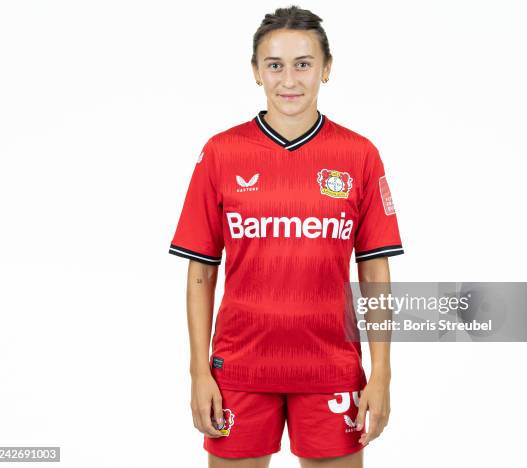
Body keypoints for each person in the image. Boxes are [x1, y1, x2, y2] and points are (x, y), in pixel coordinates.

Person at [169, 6, 404, 468]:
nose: (289, 79)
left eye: (304, 63)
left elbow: (375, 270)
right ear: (256, 72)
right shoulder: (221, 153)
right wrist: (199, 370)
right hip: (239, 369)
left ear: (327, 68)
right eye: (275, 65)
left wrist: (382, 374)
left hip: (331, 367)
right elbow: (201, 271)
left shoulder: (359, 155)